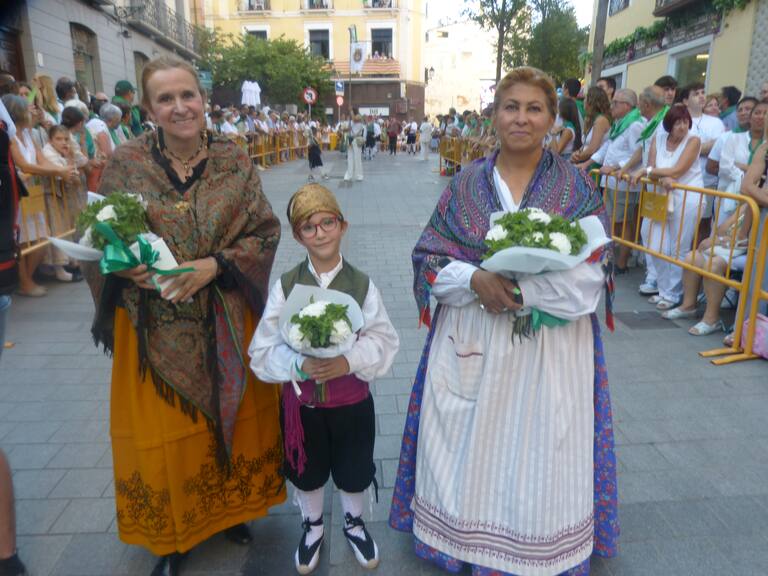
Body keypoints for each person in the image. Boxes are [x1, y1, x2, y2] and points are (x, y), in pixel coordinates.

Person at [389, 66, 618, 576]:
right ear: (494, 115)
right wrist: (474, 280)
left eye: (534, 108)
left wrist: (523, 291)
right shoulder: (466, 185)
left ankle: (538, 545)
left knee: (544, 445)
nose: (521, 118)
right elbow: (428, 258)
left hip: (550, 346)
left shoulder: (576, 187)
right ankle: (463, 540)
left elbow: (592, 274)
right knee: (469, 440)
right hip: (475, 334)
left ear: (553, 119)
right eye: (510, 107)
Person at [83, 56, 285, 575]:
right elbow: (98, 237)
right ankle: (175, 534)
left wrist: (214, 265)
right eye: (166, 99)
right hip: (153, 328)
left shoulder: (233, 158)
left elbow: (264, 232)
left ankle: (232, 512)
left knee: (235, 420)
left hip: (226, 318)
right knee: (169, 436)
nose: (179, 107)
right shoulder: (126, 163)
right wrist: (122, 268)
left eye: (187, 95)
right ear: (149, 108)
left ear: (203, 100)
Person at [249, 184, 399, 575]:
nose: (320, 233)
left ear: (342, 225)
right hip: (304, 406)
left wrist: (348, 361)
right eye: (309, 227)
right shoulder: (287, 286)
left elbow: (384, 340)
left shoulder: (362, 284)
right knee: (308, 469)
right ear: (298, 236)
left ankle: (354, 523)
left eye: (327, 223)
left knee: (353, 466)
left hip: (351, 401)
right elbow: (262, 349)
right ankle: (312, 526)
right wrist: (298, 365)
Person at [630, 105, 703, 311]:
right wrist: (660, 175)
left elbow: (678, 170)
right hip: (662, 195)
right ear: (669, 124)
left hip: (688, 197)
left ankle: (673, 293)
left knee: (679, 247)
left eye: (685, 122)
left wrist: (647, 171)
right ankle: (663, 289)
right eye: (678, 122)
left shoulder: (694, 140)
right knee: (655, 244)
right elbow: (655, 168)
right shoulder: (659, 138)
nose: (682, 126)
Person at [3, 94, 76, 295]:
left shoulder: (28, 134)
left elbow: (41, 160)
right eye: (28, 108)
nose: (33, 111)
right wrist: (58, 171)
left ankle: (26, 278)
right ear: (18, 113)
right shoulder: (10, 136)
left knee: (41, 239)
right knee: (20, 241)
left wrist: (61, 171)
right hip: (16, 195)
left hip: (32, 193)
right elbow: (24, 165)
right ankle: (25, 282)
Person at [661, 205, 751, 335]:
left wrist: (723, 240)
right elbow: (722, 230)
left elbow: (747, 241)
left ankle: (712, 319)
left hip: (750, 254)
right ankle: (689, 306)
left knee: (713, 265)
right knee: (692, 257)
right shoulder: (747, 205)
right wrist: (722, 239)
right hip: (729, 248)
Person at [598, 88, 646, 273]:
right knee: (612, 221)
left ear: (627, 105)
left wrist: (616, 167)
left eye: (615, 103)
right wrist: (587, 162)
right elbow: (609, 147)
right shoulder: (620, 123)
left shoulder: (635, 125)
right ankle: (611, 258)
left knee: (624, 223)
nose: (611, 106)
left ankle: (621, 263)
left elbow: (638, 153)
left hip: (625, 183)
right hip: (612, 181)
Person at [715, 99, 768, 226]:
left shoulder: (765, 146)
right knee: (721, 231)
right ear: (750, 117)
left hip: (758, 202)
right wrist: (749, 178)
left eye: (765, 113)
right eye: (757, 113)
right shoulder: (734, 138)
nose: (761, 117)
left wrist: (743, 167)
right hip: (730, 196)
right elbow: (725, 167)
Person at [572, 86, 612, 170]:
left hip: (593, 165)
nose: (584, 101)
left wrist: (574, 158)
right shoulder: (592, 119)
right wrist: (577, 153)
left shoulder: (601, 120)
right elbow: (585, 145)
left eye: (586, 98)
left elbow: (592, 149)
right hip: (585, 161)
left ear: (592, 102)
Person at [344, 114, 365, 182]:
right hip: (352, 140)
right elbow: (346, 130)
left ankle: (356, 175)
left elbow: (355, 119)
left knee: (356, 158)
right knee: (351, 158)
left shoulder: (359, 122)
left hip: (355, 140)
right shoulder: (352, 122)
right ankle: (352, 175)